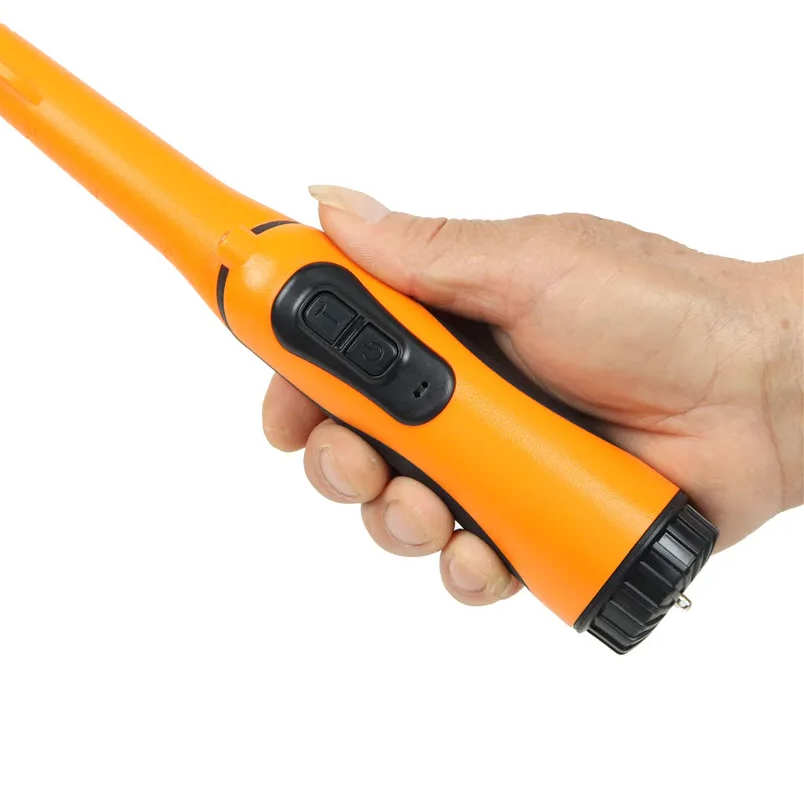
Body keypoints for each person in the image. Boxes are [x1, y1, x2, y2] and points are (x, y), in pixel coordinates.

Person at [262, 186, 803, 606]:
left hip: (624, 537)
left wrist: (765, 371)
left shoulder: (268, 265)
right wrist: (762, 380)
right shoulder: (271, 263)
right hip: (622, 538)